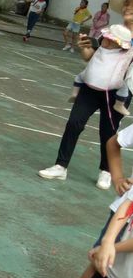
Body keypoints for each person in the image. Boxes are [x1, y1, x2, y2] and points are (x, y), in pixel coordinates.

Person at [39, 20, 133, 188]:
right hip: (89, 88)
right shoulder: (108, 36)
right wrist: (84, 46)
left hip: (113, 94)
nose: (106, 40)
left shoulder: (128, 50)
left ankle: (106, 171)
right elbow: (88, 56)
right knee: (74, 123)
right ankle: (61, 166)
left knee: (108, 132)